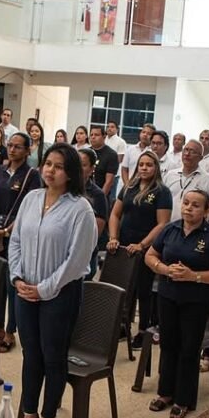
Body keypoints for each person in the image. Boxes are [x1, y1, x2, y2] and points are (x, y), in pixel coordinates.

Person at [10, 144, 97, 418]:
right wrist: (18, 278)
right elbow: (16, 241)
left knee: (53, 355)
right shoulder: (31, 199)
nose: (51, 170)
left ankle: (48, 417)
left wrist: (45, 288)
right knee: (30, 352)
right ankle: (29, 411)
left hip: (60, 293)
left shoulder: (79, 208)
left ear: (70, 173)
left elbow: (78, 259)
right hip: (25, 290)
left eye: (58, 167)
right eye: (48, 164)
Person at [145, 189, 209, 418]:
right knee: (168, 344)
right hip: (167, 295)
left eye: (195, 205)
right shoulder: (170, 229)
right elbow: (150, 256)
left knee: (188, 349)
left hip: (196, 300)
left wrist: (194, 276)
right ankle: (165, 393)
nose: (188, 208)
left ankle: (183, 399)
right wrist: (164, 269)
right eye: (185, 203)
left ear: (205, 211)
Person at [0, 132, 42, 352]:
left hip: (15, 234)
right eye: (10, 145)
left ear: (28, 151)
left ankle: (10, 331)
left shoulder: (32, 176)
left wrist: (6, 231)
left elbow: (30, 211)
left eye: (18, 147)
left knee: (11, 283)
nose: (12, 149)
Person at [108, 150, 173, 347]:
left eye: (149, 165)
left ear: (156, 168)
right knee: (124, 290)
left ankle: (143, 331)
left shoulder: (162, 191)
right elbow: (115, 215)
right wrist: (113, 237)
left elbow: (162, 224)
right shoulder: (129, 187)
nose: (144, 168)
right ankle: (123, 327)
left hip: (146, 248)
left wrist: (142, 244)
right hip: (124, 246)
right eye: (141, 164)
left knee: (143, 291)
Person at [163, 139, 209, 219]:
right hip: (169, 226)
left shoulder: (208, 179)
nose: (187, 154)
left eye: (192, 151)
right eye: (185, 150)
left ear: (200, 158)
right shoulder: (170, 175)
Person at [78, 148, 110, 280]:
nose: (78, 168)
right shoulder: (63, 189)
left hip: (84, 257)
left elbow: (95, 233)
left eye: (84, 165)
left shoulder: (97, 195)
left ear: (92, 169)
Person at [88, 124, 120, 203]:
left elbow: (109, 182)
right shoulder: (86, 153)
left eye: (96, 135)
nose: (93, 137)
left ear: (104, 136)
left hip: (101, 196)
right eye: (91, 135)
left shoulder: (111, 154)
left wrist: (99, 199)